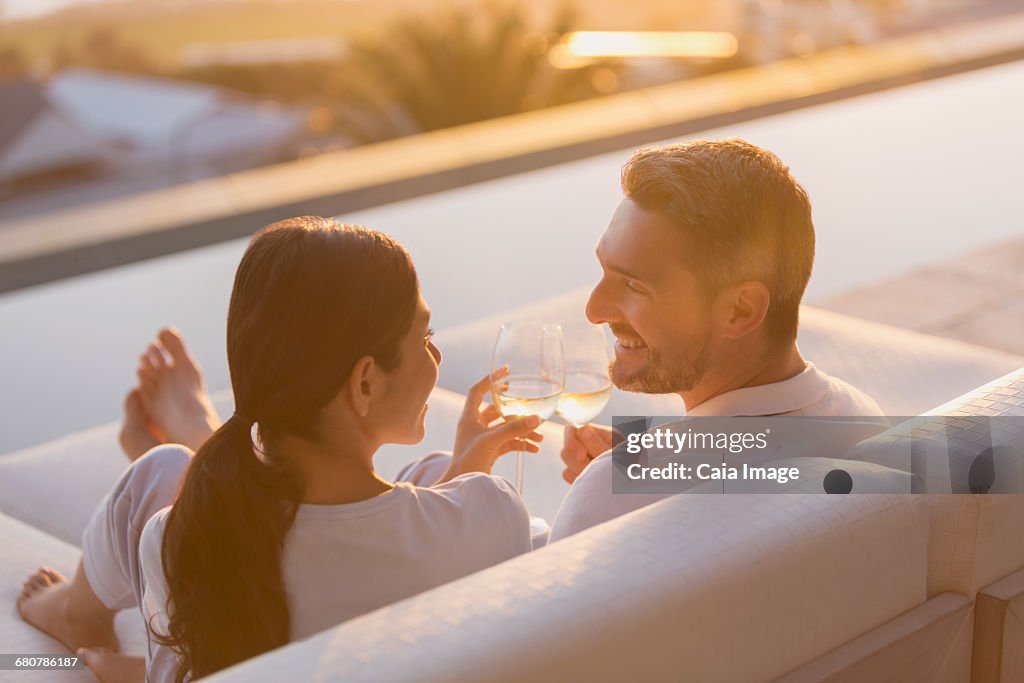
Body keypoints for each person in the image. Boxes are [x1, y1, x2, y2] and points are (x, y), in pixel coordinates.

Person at [17, 217, 545, 683]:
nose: (436, 356)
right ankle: (195, 433)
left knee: (164, 470)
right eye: (425, 337)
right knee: (429, 473)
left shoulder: (177, 538)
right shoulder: (490, 516)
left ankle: (80, 607)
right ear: (364, 384)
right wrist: (468, 486)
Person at [549, 139, 884, 542]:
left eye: (635, 285)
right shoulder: (865, 424)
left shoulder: (616, 496)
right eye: (604, 271)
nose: (594, 310)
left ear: (741, 310)